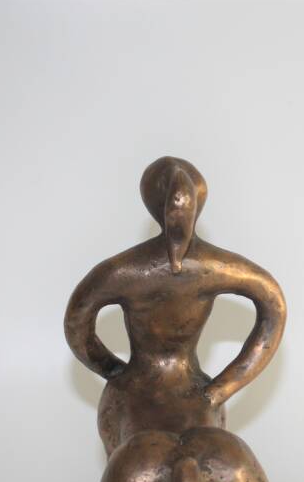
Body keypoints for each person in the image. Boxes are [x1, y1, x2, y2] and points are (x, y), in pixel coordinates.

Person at [64, 156, 287, 455]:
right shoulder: (215, 266)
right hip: (192, 393)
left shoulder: (123, 271)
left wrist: (116, 373)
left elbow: (77, 323)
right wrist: (218, 391)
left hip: (137, 389)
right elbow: (273, 304)